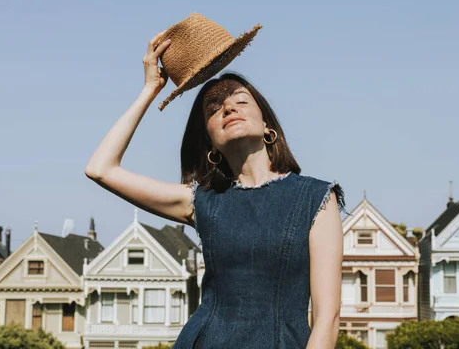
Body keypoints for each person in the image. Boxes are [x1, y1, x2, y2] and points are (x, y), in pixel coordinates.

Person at [85, 31, 344, 348]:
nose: (228, 107)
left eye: (241, 100)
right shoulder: (201, 201)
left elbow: (327, 318)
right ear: (210, 142)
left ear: (267, 126)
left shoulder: (316, 198)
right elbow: (100, 168)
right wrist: (151, 89)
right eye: (214, 108)